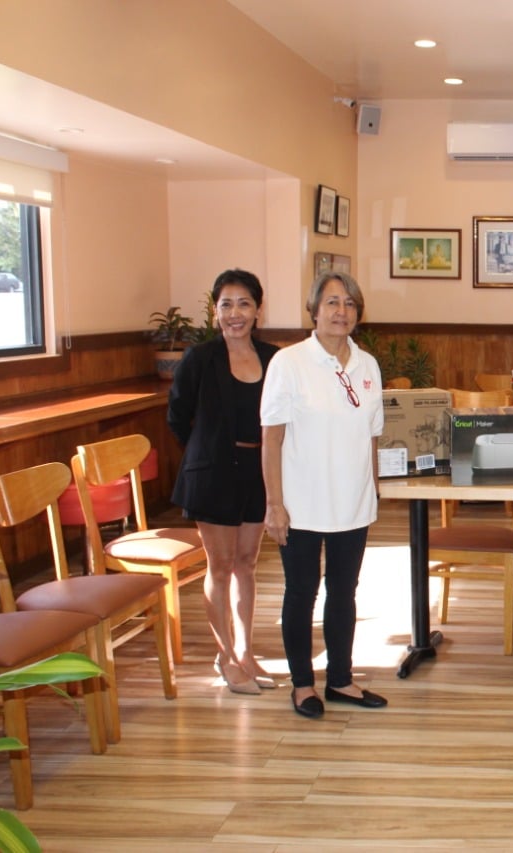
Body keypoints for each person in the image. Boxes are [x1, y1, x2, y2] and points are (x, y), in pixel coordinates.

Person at [261, 271, 388, 719]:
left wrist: (371, 487)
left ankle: (340, 680)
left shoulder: (367, 365)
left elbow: (372, 435)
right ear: (313, 310)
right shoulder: (289, 363)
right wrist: (274, 504)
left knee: (344, 591)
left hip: (351, 501)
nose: (341, 311)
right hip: (301, 502)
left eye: (350, 304)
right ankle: (301, 685)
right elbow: (271, 439)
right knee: (301, 592)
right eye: (332, 302)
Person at [167, 269, 279, 695]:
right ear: (215, 311)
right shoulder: (201, 358)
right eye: (226, 304)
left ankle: (247, 651)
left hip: (257, 473)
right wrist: (204, 451)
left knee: (247, 564)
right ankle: (225, 655)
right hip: (212, 474)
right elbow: (178, 418)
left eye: (244, 304)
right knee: (220, 565)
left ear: (258, 310)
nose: (235, 313)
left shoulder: (273, 358)